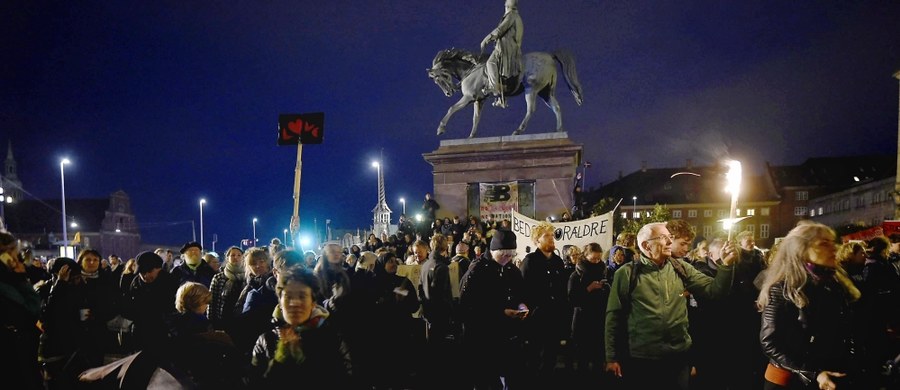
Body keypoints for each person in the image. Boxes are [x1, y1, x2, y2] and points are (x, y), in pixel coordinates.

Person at [605, 222, 737, 389]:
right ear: (646, 245)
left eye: (670, 238)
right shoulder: (626, 273)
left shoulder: (681, 268)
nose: (669, 242)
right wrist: (612, 357)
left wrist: (726, 266)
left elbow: (715, 291)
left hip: (678, 358)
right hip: (643, 360)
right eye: (664, 238)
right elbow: (613, 316)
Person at [758, 221, 860, 389]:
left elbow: (846, 331)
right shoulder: (782, 288)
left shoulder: (835, 284)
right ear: (801, 250)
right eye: (823, 244)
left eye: (832, 242)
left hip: (829, 377)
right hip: (790, 381)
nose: (834, 248)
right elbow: (770, 342)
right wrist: (813, 373)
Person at [251, 266, 352, 386]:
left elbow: (347, 381)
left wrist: (303, 361)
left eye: (302, 296)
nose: (294, 303)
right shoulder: (266, 340)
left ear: (313, 303)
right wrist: (279, 360)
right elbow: (253, 382)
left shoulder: (332, 337)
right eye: (288, 296)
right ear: (280, 303)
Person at [459, 229, 529, 389]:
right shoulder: (477, 271)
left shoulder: (512, 270)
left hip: (508, 337)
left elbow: (521, 293)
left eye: (511, 255)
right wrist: (500, 312)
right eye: (504, 255)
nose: (507, 259)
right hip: (483, 339)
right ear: (493, 251)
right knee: (487, 380)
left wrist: (522, 305)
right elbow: (467, 307)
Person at [519, 221, 568, 386]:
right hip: (537, 320)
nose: (551, 239)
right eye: (546, 236)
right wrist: (532, 311)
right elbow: (523, 290)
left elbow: (562, 291)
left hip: (555, 318)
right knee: (534, 358)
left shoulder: (558, 262)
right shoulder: (530, 261)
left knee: (551, 358)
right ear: (537, 241)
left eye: (552, 235)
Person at [0, 232, 43, 389]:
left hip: (19, 350)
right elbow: (30, 310)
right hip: (10, 353)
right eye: (14, 252)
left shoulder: (9, 278)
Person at [568, 242, 610, 384]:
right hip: (583, 321)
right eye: (593, 259)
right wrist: (588, 289)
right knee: (583, 358)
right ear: (585, 257)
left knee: (599, 357)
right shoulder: (576, 275)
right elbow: (572, 299)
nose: (596, 262)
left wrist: (606, 289)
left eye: (598, 259)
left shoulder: (604, 271)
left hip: (599, 319)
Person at [480, 0, 524, 108]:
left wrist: (487, 39)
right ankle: (501, 97)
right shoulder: (514, 16)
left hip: (506, 48)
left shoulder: (511, 16)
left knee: (490, 63)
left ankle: (493, 86)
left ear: (508, 6)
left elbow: (500, 30)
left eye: (505, 5)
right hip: (509, 46)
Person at [208, 246, 246, 331]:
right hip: (223, 319)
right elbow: (211, 301)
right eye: (232, 255)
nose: (236, 257)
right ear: (227, 258)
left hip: (242, 319)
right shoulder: (219, 277)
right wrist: (211, 322)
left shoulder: (247, 277)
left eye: (239, 255)